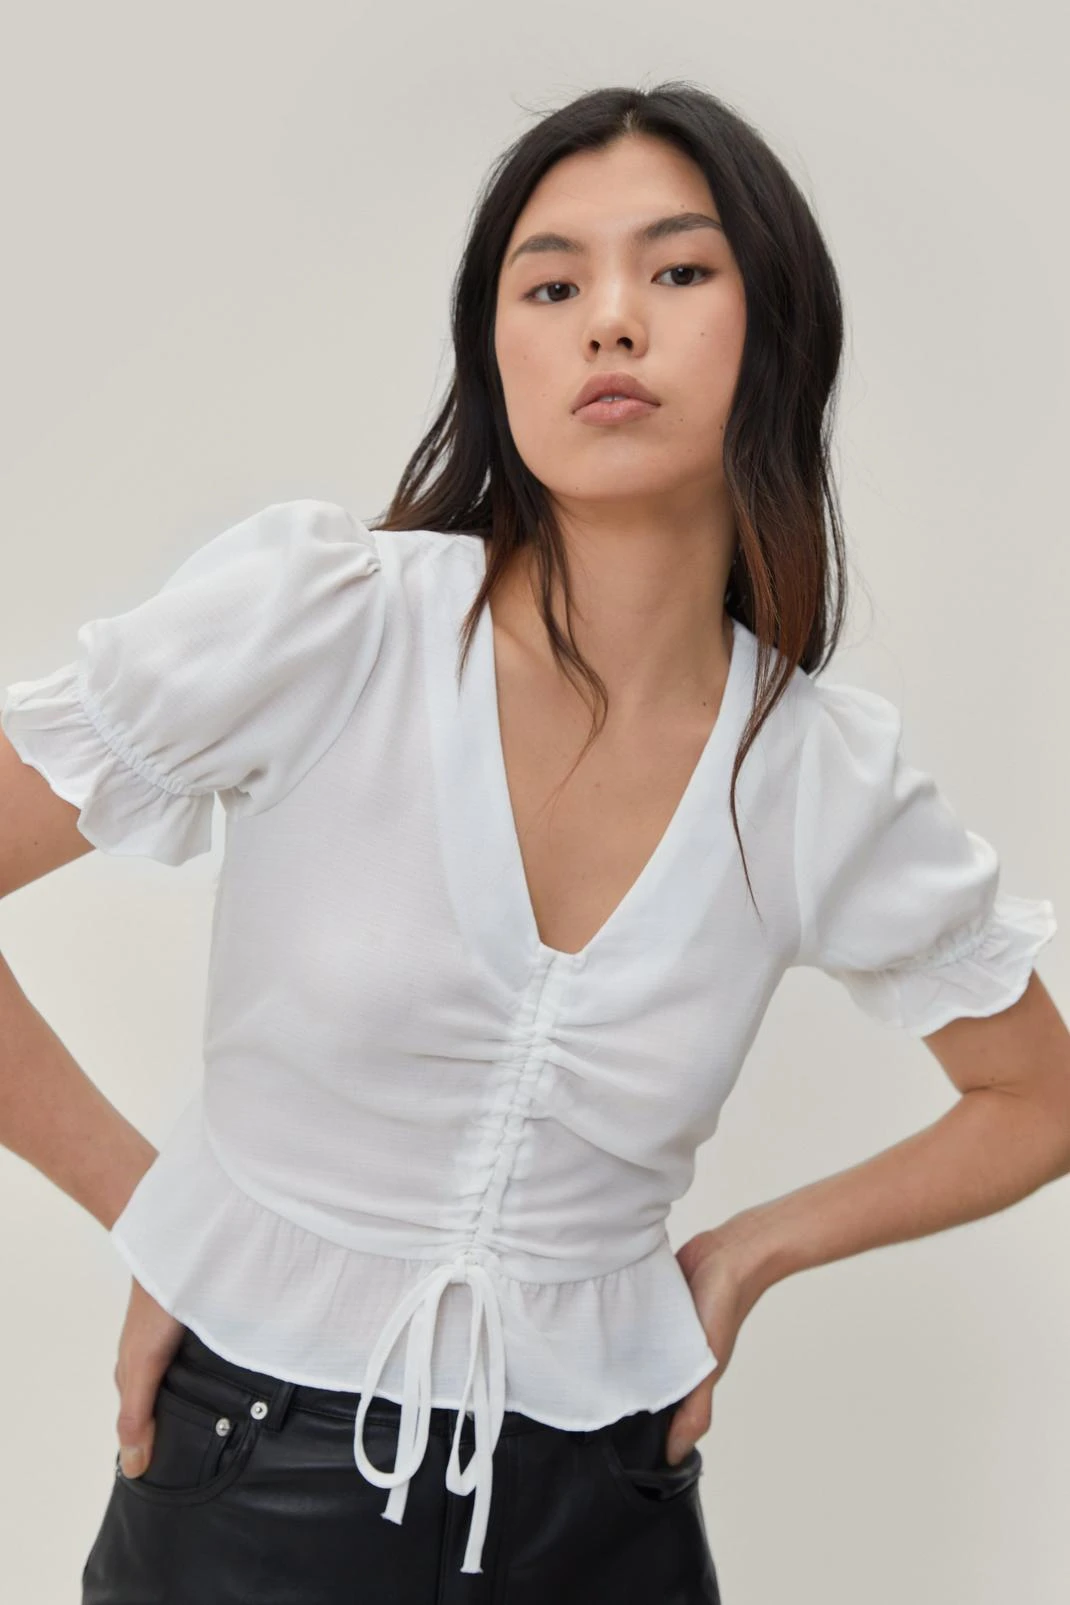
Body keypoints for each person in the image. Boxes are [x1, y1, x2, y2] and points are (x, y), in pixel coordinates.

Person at [1, 81, 1066, 1605]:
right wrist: (161, 1215)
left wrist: (745, 1256)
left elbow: (1035, 1097)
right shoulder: (331, 627)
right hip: (246, 1473)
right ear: (493, 353)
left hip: (607, 1498)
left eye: (677, 271)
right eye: (551, 285)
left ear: (776, 333)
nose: (610, 322)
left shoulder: (817, 776)